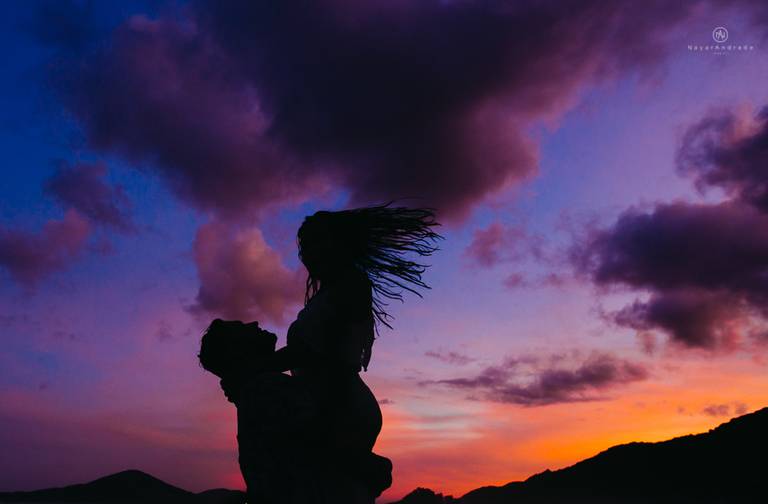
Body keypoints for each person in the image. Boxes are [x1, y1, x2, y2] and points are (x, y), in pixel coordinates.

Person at [199, 203, 442, 503]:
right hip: (327, 399)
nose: (311, 252)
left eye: (319, 241)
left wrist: (254, 369)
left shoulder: (352, 283)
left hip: (338, 401)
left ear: (340, 243)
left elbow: (318, 353)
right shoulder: (327, 293)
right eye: (306, 245)